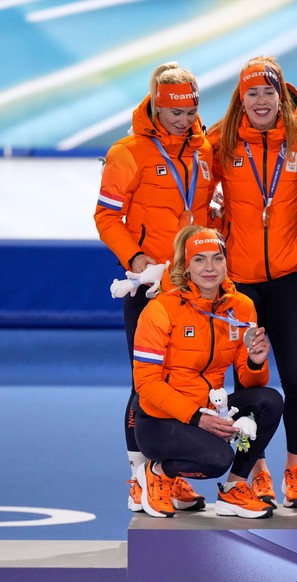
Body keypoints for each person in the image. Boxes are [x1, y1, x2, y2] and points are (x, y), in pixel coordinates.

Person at [94, 62, 214, 513]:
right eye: (174, 113)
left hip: (194, 288)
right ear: (156, 108)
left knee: (186, 382)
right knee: (146, 382)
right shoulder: (127, 152)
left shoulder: (204, 152)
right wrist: (138, 259)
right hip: (149, 287)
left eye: (191, 111)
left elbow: (206, 209)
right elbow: (106, 217)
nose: (183, 121)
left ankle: (171, 475)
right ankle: (138, 476)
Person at [209, 56, 297, 509]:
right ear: (241, 98)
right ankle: (256, 470)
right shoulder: (220, 143)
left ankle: (295, 470)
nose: (260, 100)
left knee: (296, 379)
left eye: (267, 92)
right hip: (240, 289)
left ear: (282, 97)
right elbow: (194, 196)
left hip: (290, 282)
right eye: (251, 92)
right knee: (250, 387)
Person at [133, 226, 284, 519]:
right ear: (186, 266)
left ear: (227, 262)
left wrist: (255, 362)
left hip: (210, 410)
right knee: (217, 459)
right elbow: (145, 382)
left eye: (217, 258)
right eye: (200, 260)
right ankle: (157, 472)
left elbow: (253, 381)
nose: (210, 268)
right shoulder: (160, 310)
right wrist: (197, 417)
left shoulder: (242, 307)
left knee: (270, 400)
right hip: (160, 421)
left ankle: (235, 489)